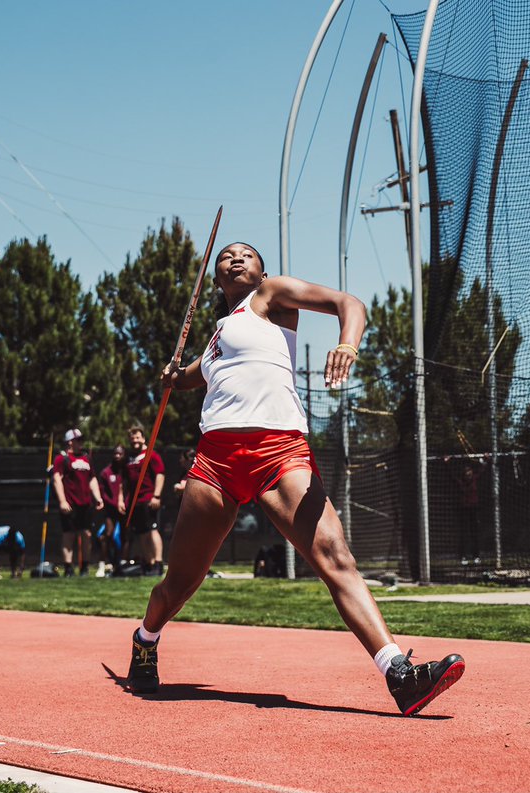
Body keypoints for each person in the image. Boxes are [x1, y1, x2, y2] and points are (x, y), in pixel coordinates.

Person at [126, 241, 464, 717]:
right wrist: (173, 376)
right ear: (216, 276)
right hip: (218, 459)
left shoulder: (271, 297)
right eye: (226, 255)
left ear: (262, 272)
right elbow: (192, 377)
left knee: (335, 556)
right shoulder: (218, 335)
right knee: (179, 583)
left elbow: (351, 304)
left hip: (279, 451)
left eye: (246, 253)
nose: (235, 258)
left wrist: (347, 343)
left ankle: (399, 676)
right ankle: (146, 638)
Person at [51, 428, 105, 577]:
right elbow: (57, 479)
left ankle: (85, 567)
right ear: (70, 442)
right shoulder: (62, 459)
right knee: (69, 535)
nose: (81, 443)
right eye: (78, 440)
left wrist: (98, 497)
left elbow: (92, 479)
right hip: (70, 503)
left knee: (86, 534)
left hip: (86, 504)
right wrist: (62, 501)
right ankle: (68, 568)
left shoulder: (87, 459)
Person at [124, 425, 165, 575]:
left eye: (137, 437)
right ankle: (149, 563)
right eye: (132, 438)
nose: (135, 440)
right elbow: (126, 482)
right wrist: (123, 500)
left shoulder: (151, 455)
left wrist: (156, 495)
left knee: (152, 530)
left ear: (143, 438)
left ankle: (158, 562)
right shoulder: (129, 458)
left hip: (149, 499)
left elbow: (160, 474)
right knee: (141, 533)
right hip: (136, 502)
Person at [97, 444, 128, 573]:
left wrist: (124, 503)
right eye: (115, 453)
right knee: (107, 534)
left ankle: (121, 563)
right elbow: (103, 492)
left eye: (120, 454)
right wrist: (113, 504)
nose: (117, 456)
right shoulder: (106, 472)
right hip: (110, 509)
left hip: (125, 508)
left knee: (125, 536)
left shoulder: (128, 471)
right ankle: (103, 564)